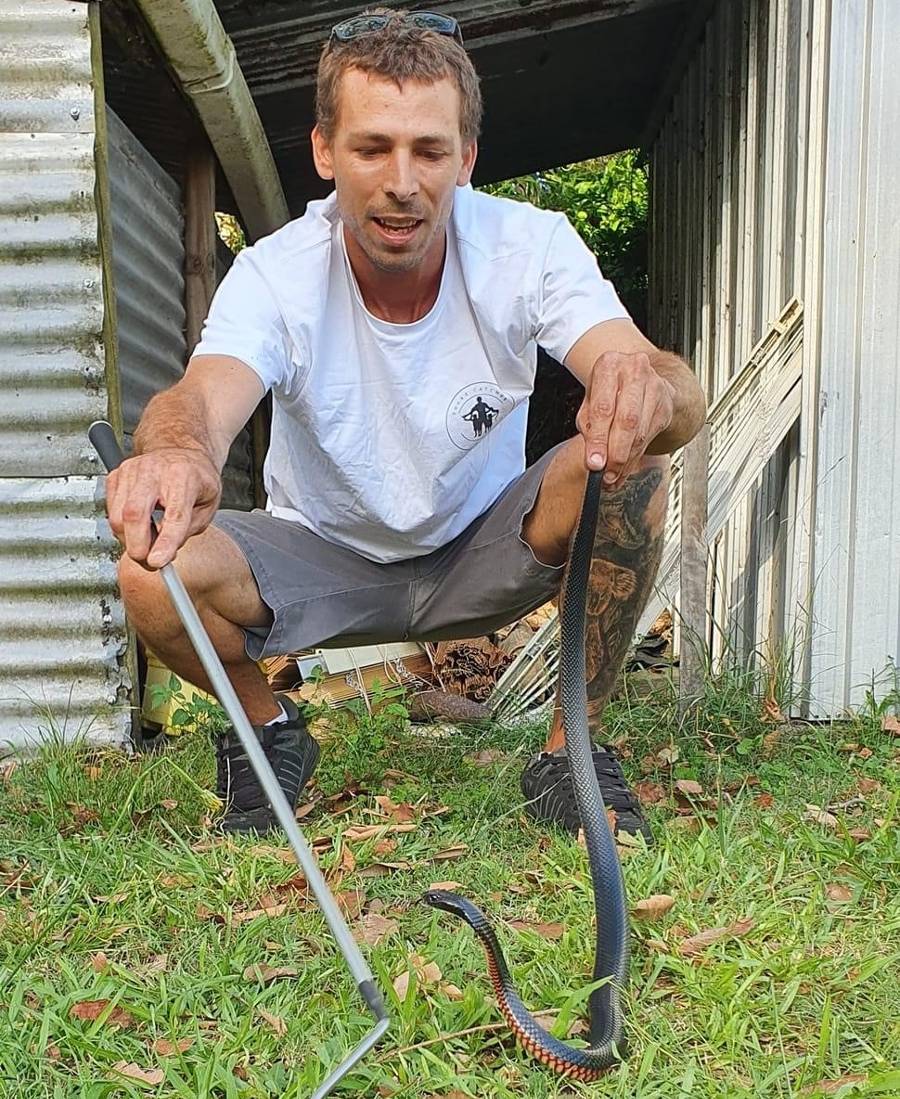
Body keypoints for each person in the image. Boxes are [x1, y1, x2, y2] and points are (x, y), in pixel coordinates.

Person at [105, 7, 706, 836]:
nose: (401, 180)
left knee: (635, 467)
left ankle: (572, 758)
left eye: (428, 150)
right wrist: (178, 453)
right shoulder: (275, 275)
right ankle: (271, 733)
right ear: (325, 152)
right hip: (328, 558)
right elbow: (202, 399)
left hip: (484, 549)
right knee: (150, 565)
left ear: (465, 158)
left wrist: (644, 389)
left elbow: (671, 384)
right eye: (371, 147)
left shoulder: (529, 248)